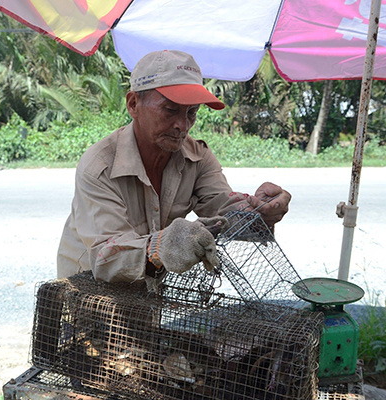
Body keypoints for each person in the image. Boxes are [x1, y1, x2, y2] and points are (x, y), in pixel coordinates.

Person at [57, 50, 291, 284]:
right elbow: (107, 258)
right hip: (87, 292)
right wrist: (161, 246)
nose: (182, 125)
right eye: (170, 110)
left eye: (191, 112)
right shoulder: (100, 167)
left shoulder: (197, 158)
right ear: (133, 104)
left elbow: (224, 209)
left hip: (148, 292)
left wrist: (260, 212)